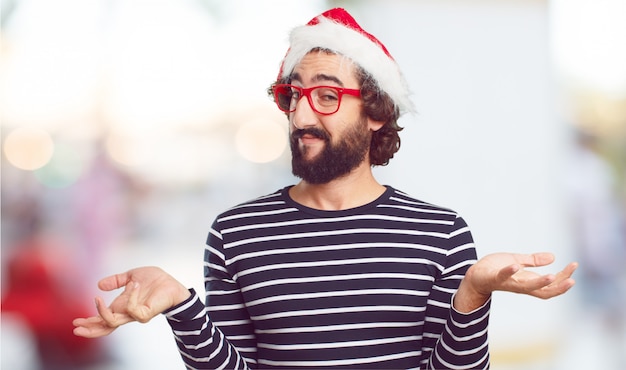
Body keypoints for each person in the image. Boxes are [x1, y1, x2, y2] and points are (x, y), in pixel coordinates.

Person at [73, 8, 578, 369]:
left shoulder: (441, 233)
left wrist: (472, 295)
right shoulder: (235, 233)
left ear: (377, 112)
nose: (301, 114)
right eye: (292, 95)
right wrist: (181, 308)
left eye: (327, 95)